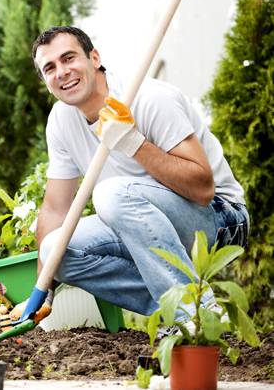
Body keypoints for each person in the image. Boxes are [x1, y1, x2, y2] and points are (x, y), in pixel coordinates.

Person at [16, 25, 248, 323]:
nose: (62, 72)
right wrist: (42, 291)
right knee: (54, 250)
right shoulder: (61, 120)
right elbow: (54, 209)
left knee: (111, 194)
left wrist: (133, 142)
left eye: (69, 58)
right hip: (142, 224)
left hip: (220, 218)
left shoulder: (150, 98)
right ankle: (184, 312)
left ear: (94, 58)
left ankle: (189, 315)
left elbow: (203, 189)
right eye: (49, 68)